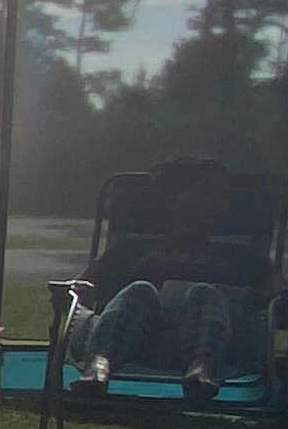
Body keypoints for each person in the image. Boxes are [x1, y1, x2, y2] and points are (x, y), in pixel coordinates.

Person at [68, 157, 262, 399]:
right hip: (134, 342)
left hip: (212, 344)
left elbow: (279, 295)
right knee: (139, 290)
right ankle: (99, 367)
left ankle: (201, 369)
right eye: (207, 194)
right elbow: (82, 285)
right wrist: (79, 293)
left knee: (205, 293)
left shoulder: (240, 258)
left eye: (223, 197)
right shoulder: (131, 250)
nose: (220, 204)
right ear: (174, 199)